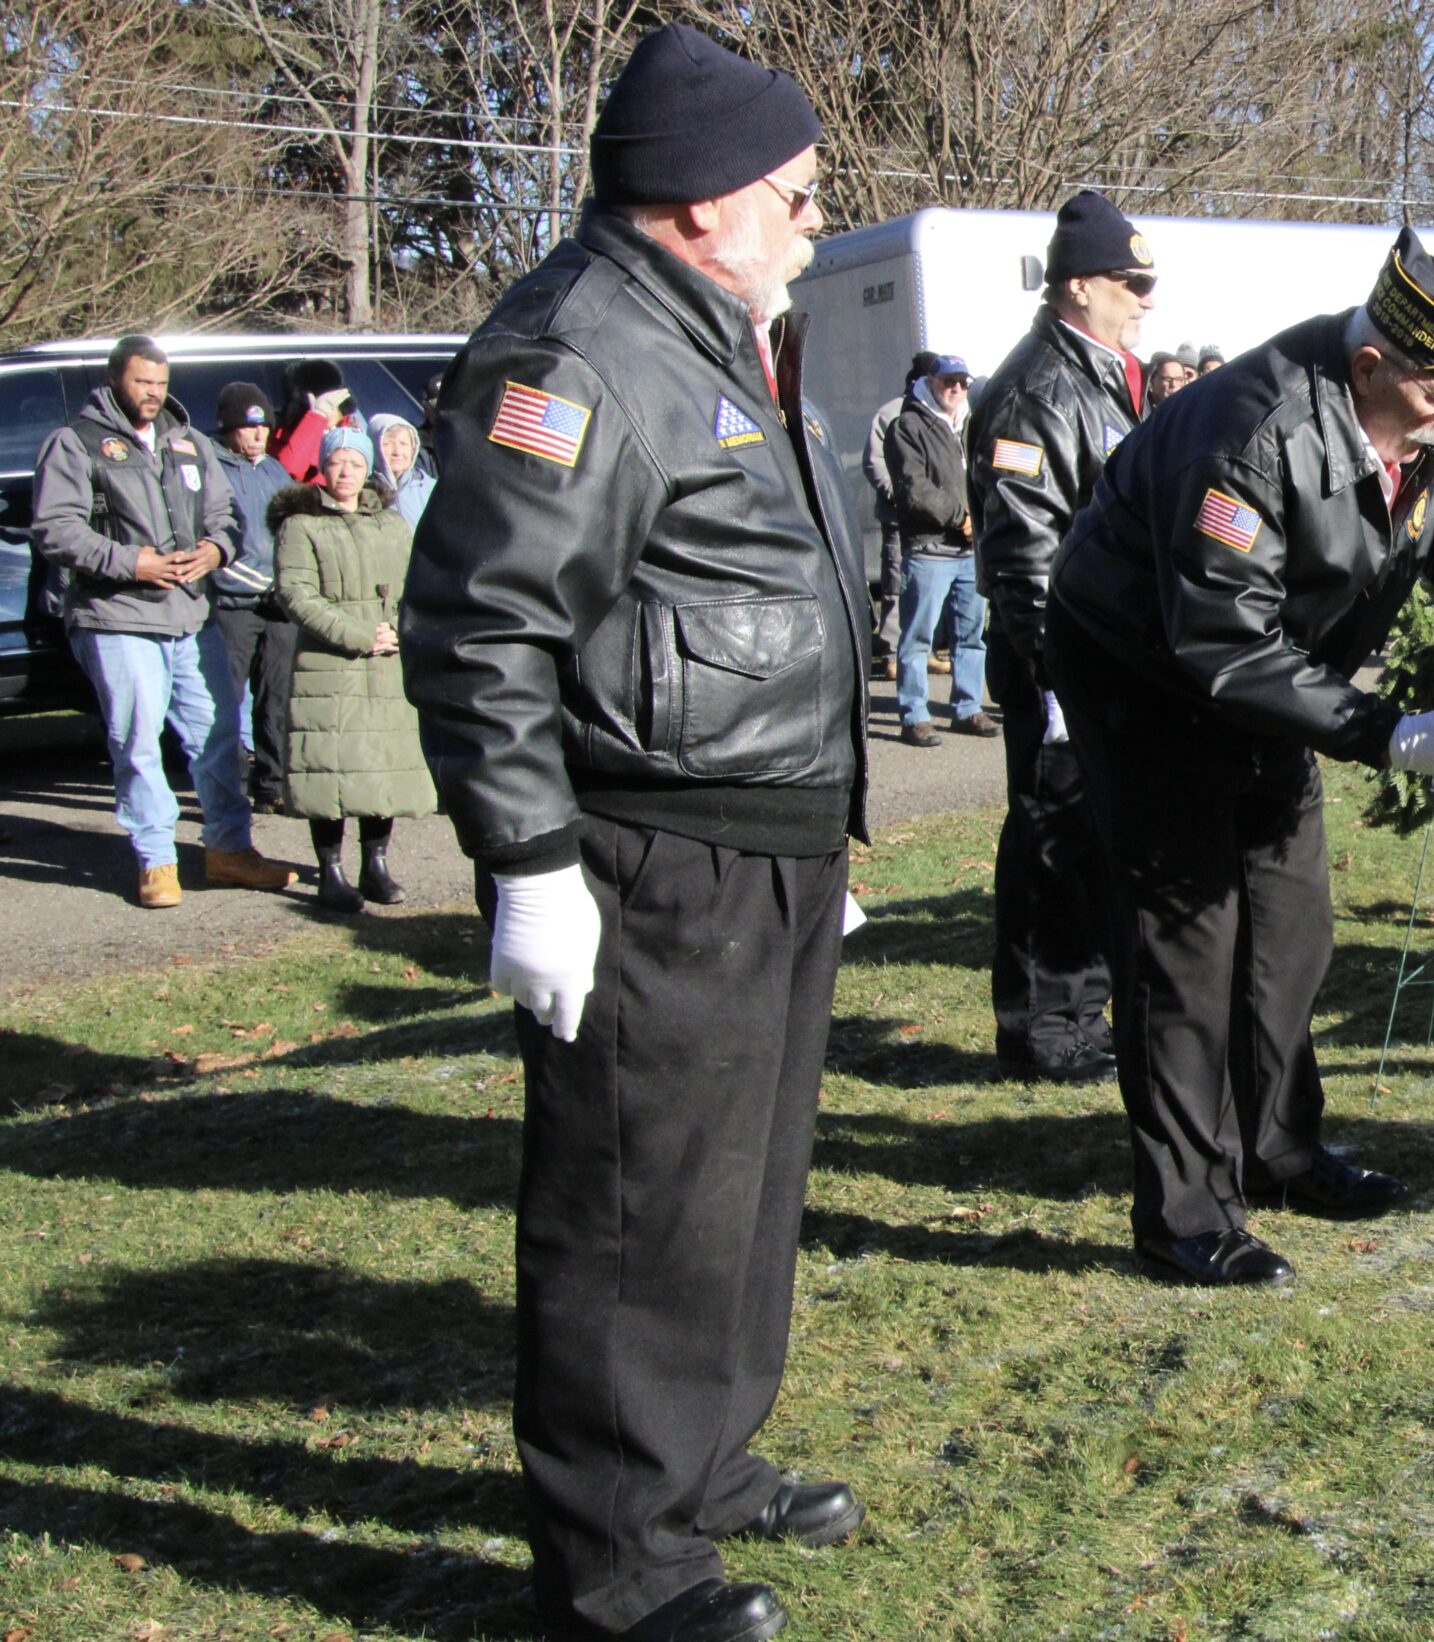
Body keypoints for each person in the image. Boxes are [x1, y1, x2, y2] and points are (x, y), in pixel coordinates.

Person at [399, 25, 871, 1642]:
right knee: (639, 1207)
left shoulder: (711, 329)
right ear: (697, 203)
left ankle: (705, 1465)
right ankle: (618, 1567)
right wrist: (528, 865)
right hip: (652, 852)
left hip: (765, 846)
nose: (814, 224)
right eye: (797, 197)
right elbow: (482, 622)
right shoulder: (582, 350)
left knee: (740, 1194)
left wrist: (825, 834)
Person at [1045, 228, 1434, 1286]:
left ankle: (1278, 1148)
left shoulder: (1414, 405)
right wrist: (1388, 733)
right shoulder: (1250, 433)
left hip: (1273, 679)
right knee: (1189, 941)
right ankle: (1184, 1212)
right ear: (1370, 364)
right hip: (1148, 679)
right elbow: (1218, 639)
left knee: (1290, 925)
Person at [969, 188, 1154, 1086]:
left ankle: (1080, 1012)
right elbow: (1020, 548)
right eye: (1130, 280)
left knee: (1090, 836)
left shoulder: (1100, 371)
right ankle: (1047, 1026)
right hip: (1060, 658)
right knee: (1052, 842)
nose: (1144, 296)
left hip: (1104, 652)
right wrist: (1054, 679)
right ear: (1079, 285)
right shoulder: (1036, 388)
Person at [30, 336, 298, 908]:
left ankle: (230, 849)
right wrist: (133, 562)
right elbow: (55, 528)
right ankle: (157, 859)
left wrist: (216, 552)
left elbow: (227, 514)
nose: (153, 394)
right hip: (116, 616)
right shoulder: (75, 444)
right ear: (113, 380)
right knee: (137, 740)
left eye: (160, 384)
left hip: (190, 614)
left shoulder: (189, 442)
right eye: (141, 383)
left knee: (219, 737)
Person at [269, 424, 435, 913]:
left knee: (379, 764)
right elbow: (296, 594)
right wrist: (360, 635)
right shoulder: (301, 525)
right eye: (338, 461)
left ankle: (375, 865)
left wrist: (398, 631)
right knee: (329, 768)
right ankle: (331, 871)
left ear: (369, 470)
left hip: (387, 658)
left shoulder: (391, 523)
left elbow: (415, 582)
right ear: (323, 465)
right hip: (330, 662)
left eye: (357, 463)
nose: (346, 472)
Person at [887, 353, 995, 747]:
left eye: (964, 382)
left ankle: (968, 708)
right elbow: (913, 489)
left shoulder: (968, 424)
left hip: (969, 551)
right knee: (917, 637)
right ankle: (914, 715)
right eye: (949, 380)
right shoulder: (908, 425)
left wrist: (980, 519)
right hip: (930, 549)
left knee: (971, 636)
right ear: (930, 380)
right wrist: (960, 517)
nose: (957, 388)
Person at [208, 381, 297, 810]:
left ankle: (271, 784)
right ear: (228, 428)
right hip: (234, 606)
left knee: (276, 696)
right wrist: (261, 586)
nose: (258, 435)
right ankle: (226, 786)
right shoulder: (212, 470)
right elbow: (213, 544)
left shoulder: (276, 471)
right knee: (225, 701)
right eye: (248, 426)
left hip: (279, 606)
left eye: (263, 426)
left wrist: (290, 585)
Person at [863, 350, 938, 677]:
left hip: (934, 521)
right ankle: (892, 654)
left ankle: (928, 650)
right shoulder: (890, 413)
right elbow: (874, 463)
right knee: (895, 584)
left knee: (929, 587)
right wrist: (900, 497)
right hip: (898, 518)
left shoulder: (939, 415)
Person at [274, 359, 360, 483]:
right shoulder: (280, 437)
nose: (329, 411)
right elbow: (287, 473)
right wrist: (316, 418)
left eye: (332, 403)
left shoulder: (349, 432)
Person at [367, 411, 437, 525]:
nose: (397, 452)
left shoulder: (432, 489)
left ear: (413, 448)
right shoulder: (364, 493)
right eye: (388, 444)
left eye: (403, 444)